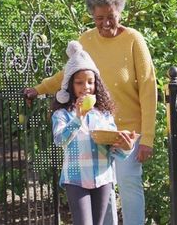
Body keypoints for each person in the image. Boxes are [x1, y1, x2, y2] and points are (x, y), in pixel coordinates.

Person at [24, 0, 157, 225]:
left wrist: (147, 138)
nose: (106, 23)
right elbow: (70, 73)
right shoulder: (86, 39)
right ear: (91, 16)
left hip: (128, 132)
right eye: (99, 18)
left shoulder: (134, 40)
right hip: (95, 131)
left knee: (128, 184)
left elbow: (149, 88)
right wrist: (40, 88)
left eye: (111, 16)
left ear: (120, 11)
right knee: (101, 189)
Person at [52, 40, 135, 225]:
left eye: (90, 82)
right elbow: (59, 139)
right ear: (70, 86)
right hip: (75, 177)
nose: (86, 87)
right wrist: (78, 118)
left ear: (96, 84)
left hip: (102, 177)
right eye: (79, 83)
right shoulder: (62, 114)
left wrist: (126, 147)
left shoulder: (104, 115)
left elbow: (114, 149)